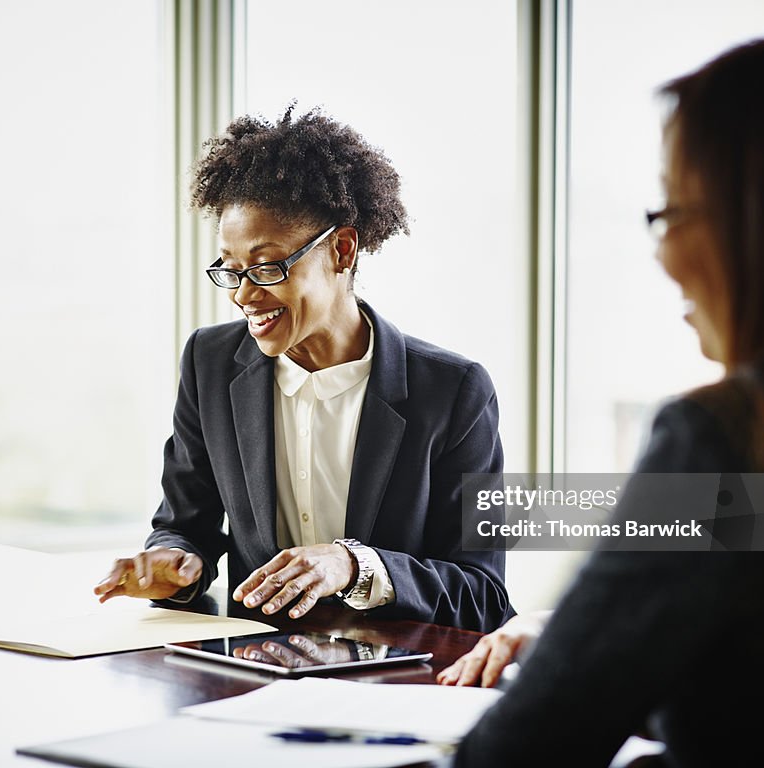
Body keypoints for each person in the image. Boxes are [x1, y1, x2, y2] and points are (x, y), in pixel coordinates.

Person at [444, 22, 764, 765]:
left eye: (673, 211)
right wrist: (598, 628)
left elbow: (521, 755)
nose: (664, 252)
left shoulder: (730, 439)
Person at [93, 105, 514, 633]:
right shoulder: (211, 364)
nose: (244, 294)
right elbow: (185, 526)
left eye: (268, 266)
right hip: (249, 676)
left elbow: (484, 595)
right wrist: (177, 564)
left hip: (396, 681)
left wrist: (356, 565)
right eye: (231, 268)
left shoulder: (453, 392)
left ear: (341, 249)